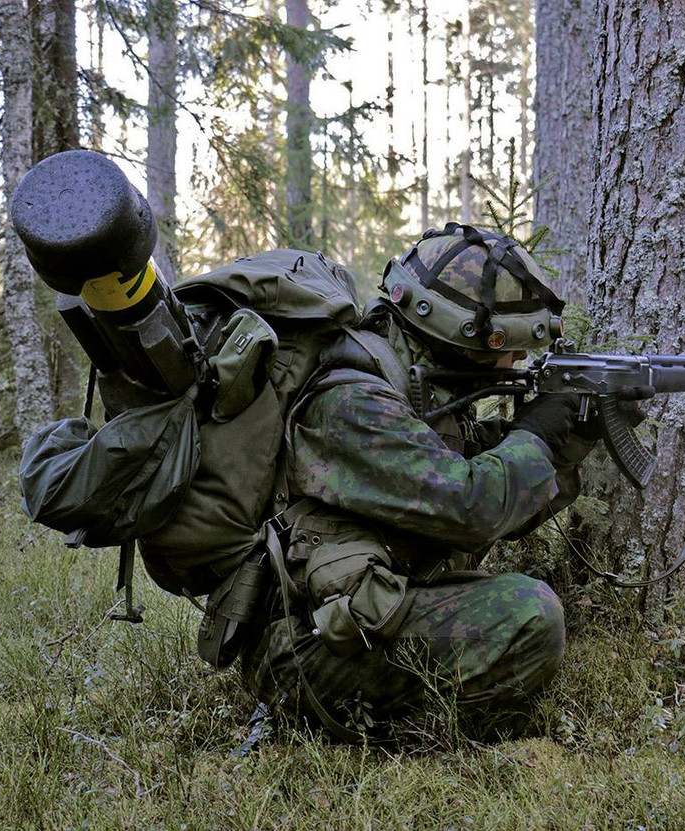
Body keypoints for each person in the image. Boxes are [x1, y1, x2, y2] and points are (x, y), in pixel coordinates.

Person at [238, 223, 594, 740]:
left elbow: (495, 507)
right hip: (307, 648)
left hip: (362, 617)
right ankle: (352, 730)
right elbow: (474, 508)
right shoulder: (355, 402)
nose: (518, 362)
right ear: (461, 338)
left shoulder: (419, 392)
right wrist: (537, 435)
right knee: (531, 615)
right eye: (509, 347)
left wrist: (573, 437)